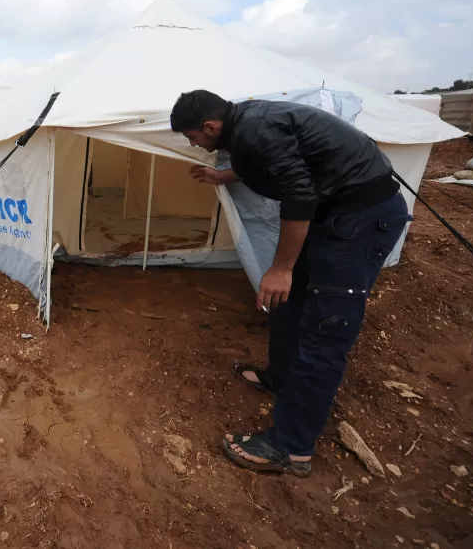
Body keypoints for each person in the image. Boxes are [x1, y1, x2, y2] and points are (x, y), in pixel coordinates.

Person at [170, 89, 411, 476]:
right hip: (336, 216)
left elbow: (298, 193)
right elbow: (279, 164)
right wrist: (223, 175)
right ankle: (279, 378)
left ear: (210, 127)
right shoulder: (246, 125)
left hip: (361, 222)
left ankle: (291, 447)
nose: (193, 143)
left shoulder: (253, 130)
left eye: (192, 137)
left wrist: (282, 266)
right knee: (289, 301)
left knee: (324, 331)